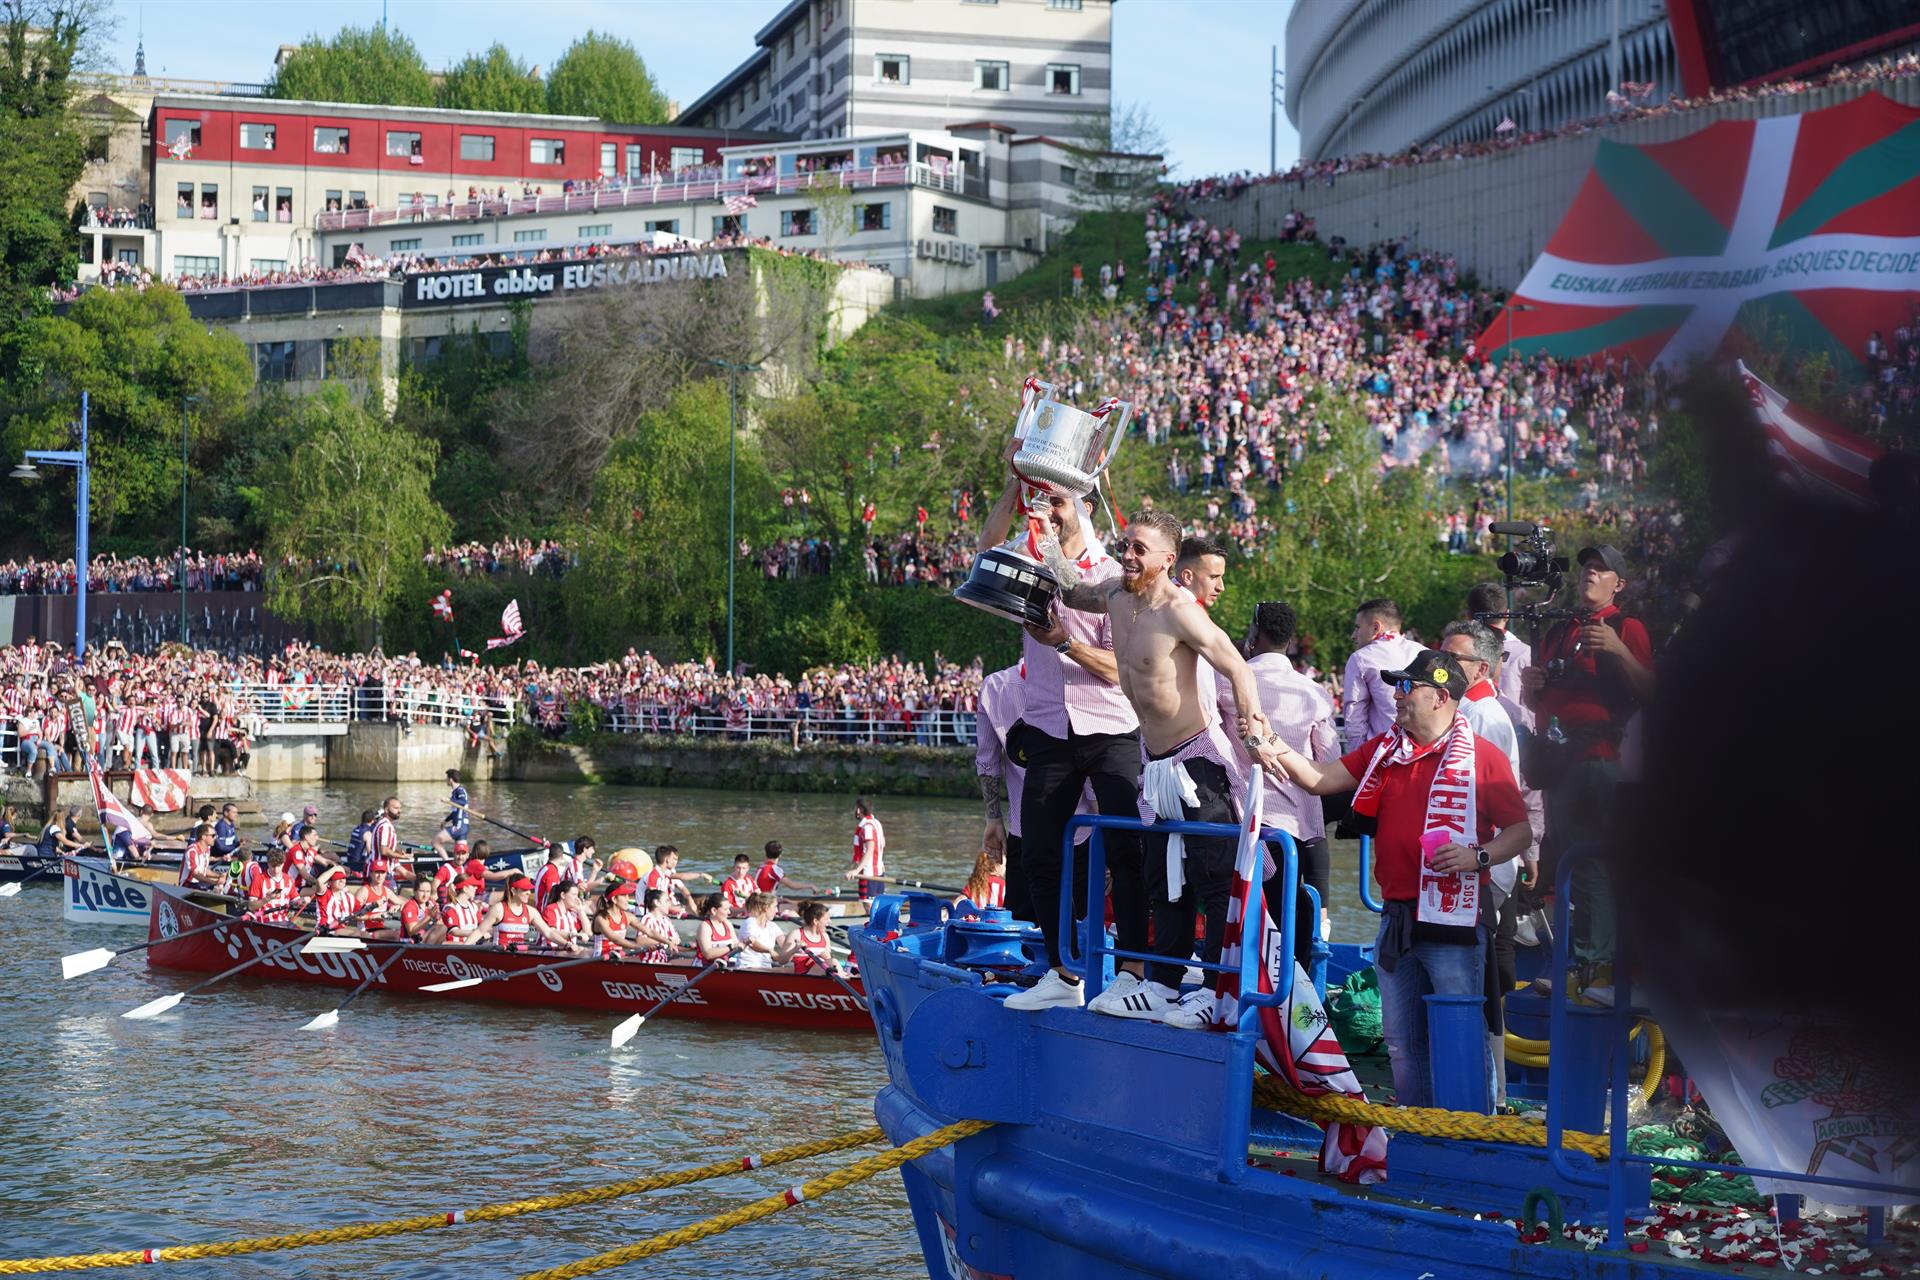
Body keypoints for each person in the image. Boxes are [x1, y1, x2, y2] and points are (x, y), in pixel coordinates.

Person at [1016, 509, 1285, 1024]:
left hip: (1196, 760)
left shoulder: (1180, 610)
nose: (1130, 555)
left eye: (1141, 549)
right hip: (1154, 760)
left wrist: (1254, 731)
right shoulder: (1117, 594)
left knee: (1211, 879)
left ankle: (1214, 989)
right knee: (1165, 879)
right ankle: (1161, 985)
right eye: (1127, 545)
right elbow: (1073, 591)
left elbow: (1233, 664)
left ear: (1168, 559)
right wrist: (1050, 537)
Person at [1261, 648, 1532, 1109]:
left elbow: (1520, 830)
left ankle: (1469, 1132)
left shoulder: (1481, 757)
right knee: (1402, 1041)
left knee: (1460, 1033)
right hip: (1397, 915)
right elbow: (1318, 779)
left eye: (1408, 687)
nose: (1397, 696)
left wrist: (1478, 857)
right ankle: (1419, 1132)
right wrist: (1268, 744)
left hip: (1455, 921)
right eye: (1396, 686)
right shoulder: (1386, 750)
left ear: (1441, 697)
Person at [981, 474, 1144, 1013]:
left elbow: (1123, 672)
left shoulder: (1113, 577)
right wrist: (1012, 484)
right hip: (1050, 726)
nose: (1047, 511)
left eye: (1059, 501)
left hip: (1111, 730)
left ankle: (1134, 973)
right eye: (1041, 500)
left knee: (1127, 850)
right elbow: (985, 554)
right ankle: (1061, 971)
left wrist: (1066, 643)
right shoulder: (1032, 561)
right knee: (1038, 855)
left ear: (1086, 505)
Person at [1520, 543, 1654, 977]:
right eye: (1586, 570)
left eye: (1601, 570)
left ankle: (1596, 963)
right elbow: (1535, 702)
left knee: (1592, 861)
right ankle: (1574, 958)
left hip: (1600, 759)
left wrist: (1618, 649)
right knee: (1562, 861)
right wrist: (1531, 684)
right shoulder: (1561, 629)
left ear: (1620, 584)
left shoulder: (1626, 627)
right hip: (1558, 763)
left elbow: (1651, 691)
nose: (1589, 575)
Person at [1441, 618, 1533, 1098]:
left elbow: (1499, 803)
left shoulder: (1485, 718)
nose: (1441, 666)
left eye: (1452, 659)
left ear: (1480, 668)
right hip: (1468, 865)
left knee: (1481, 983)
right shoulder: (1468, 712)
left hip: (1482, 865)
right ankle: (1481, 1087)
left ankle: (1488, 1093)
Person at [1235, 601, 1339, 966]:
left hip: (1245, 821)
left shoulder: (1228, 681)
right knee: (1294, 925)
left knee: (1244, 921)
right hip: (1301, 826)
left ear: (1254, 633)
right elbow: (1328, 762)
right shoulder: (1314, 693)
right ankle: (1296, 998)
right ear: (1290, 639)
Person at [1342, 599, 1424, 751]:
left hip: (1382, 756)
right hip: (1426, 752)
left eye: (1357, 627)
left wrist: (1356, 761)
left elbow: (1354, 717)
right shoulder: (1424, 653)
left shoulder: (1361, 658)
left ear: (1375, 627)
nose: (1353, 635)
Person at [1466, 582, 1532, 726]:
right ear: (1507, 614)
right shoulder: (1525, 653)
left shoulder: (1459, 650)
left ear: (1469, 615)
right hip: (1517, 733)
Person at [480, 876, 573, 952]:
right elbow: (479, 931)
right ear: (513, 891)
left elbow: (548, 933)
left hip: (519, 956)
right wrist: (465, 949)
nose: (529, 893)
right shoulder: (499, 909)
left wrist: (566, 944)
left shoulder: (531, 911)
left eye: (529, 889)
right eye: (525, 890)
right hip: (500, 956)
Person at [781, 900, 841, 976]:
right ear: (815, 921)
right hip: (804, 975)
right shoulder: (796, 934)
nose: (830, 922)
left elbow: (829, 960)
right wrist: (794, 950)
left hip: (823, 972)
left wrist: (827, 957)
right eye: (826, 919)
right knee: (832, 964)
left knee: (834, 962)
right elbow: (781, 961)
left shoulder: (825, 936)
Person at [846, 797, 886, 899]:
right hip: (879, 871)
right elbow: (882, 844)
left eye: (855, 808)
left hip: (868, 873)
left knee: (867, 904)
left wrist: (856, 870)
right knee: (876, 902)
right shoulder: (876, 822)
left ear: (859, 810)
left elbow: (870, 850)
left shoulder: (867, 827)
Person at [540, 880, 594, 951]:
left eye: (577, 895)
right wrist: (573, 935)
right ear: (563, 895)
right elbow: (551, 932)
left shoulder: (572, 913)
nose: (577, 899)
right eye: (574, 895)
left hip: (568, 952)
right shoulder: (551, 909)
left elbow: (589, 932)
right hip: (550, 951)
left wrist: (580, 910)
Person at [632, 888, 681, 962]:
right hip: (648, 962)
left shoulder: (667, 921)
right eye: (667, 901)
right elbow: (640, 940)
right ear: (656, 902)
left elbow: (676, 945)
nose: (669, 904)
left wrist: (695, 947)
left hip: (662, 962)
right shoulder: (648, 919)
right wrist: (666, 941)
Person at [436, 877, 488, 945]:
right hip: (456, 948)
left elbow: (483, 926)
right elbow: (454, 931)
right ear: (465, 888)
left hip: (472, 946)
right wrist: (477, 933)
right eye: (473, 886)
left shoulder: (474, 906)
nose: (476, 888)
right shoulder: (450, 907)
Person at [592, 882, 638, 958]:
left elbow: (649, 931)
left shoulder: (628, 916)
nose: (628, 899)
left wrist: (663, 940)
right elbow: (615, 939)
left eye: (628, 895)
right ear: (614, 899)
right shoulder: (601, 918)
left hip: (617, 956)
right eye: (624, 896)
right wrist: (637, 947)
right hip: (601, 958)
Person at [736, 892, 781, 969]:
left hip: (765, 967)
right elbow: (753, 944)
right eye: (775, 907)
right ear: (766, 908)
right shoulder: (750, 922)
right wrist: (770, 951)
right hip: (747, 966)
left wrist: (794, 949)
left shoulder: (773, 926)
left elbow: (784, 942)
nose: (776, 910)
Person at [695, 892, 743, 964]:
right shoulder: (705, 927)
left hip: (725, 965)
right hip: (705, 967)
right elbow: (708, 954)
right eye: (725, 909)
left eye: (729, 909)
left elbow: (736, 946)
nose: (729, 912)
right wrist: (730, 947)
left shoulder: (727, 924)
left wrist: (745, 943)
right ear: (714, 910)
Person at [356, 867, 406, 936]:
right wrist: (373, 916)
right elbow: (356, 916)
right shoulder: (363, 891)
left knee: (401, 933)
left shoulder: (386, 891)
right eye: (377, 872)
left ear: (386, 874)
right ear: (371, 874)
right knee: (396, 935)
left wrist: (396, 906)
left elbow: (405, 904)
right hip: (365, 931)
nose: (380, 875)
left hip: (380, 929)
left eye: (382, 873)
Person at [313, 866, 360, 933]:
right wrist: (336, 868)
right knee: (357, 933)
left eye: (343, 878)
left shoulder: (350, 897)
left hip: (341, 931)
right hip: (325, 931)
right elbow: (319, 881)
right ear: (329, 882)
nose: (341, 880)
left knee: (364, 934)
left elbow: (361, 914)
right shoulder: (326, 894)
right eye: (337, 878)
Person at [434, 769, 470, 854]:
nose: (445, 780)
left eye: (446, 778)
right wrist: (445, 821)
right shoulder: (455, 792)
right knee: (460, 853)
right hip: (462, 827)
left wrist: (449, 800)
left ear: (450, 779)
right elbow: (455, 812)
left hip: (459, 827)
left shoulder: (460, 791)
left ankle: (446, 862)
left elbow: (463, 802)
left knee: (435, 842)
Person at [177, 822, 219, 890]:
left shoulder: (207, 849)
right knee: (216, 888)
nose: (215, 838)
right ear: (203, 837)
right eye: (213, 835)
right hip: (187, 885)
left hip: (200, 883)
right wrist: (214, 882)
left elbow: (204, 871)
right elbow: (195, 874)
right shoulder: (192, 851)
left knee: (221, 887)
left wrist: (219, 875)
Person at [399, 877, 439, 942]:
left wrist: (438, 918)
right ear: (415, 891)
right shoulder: (410, 907)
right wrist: (429, 917)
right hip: (409, 943)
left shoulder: (431, 904)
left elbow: (440, 924)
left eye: (428, 891)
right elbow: (411, 931)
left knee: (443, 929)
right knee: (442, 929)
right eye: (422, 891)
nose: (425, 895)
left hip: (425, 939)